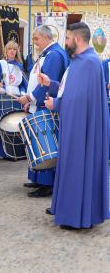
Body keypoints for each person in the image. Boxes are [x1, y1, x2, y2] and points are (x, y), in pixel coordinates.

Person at [40, 22, 109, 230]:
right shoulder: (79, 61)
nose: (65, 42)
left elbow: (78, 100)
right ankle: (67, 211)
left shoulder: (89, 63)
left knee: (77, 167)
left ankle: (75, 216)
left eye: (68, 38)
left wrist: (56, 105)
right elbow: (69, 89)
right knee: (70, 166)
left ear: (77, 40)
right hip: (75, 125)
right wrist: (50, 84)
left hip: (82, 129)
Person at [18, 25, 69, 198]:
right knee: (37, 143)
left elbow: (47, 83)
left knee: (45, 144)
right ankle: (38, 179)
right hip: (39, 104)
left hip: (46, 105)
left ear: (46, 37)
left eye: (36, 39)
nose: (35, 42)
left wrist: (30, 98)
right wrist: (30, 100)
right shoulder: (49, 54)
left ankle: (47, 183)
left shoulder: (54, 55)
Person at [0, 40, 27, 162]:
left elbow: (23, 84)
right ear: (6, 51)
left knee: (13, 125)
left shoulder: (19, 66)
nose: (12, 51)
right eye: (10, 49)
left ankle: (12, 152)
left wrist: (23, 93)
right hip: (3, 97)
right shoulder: (0, 64)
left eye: (15, 49)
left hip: (16, 99)